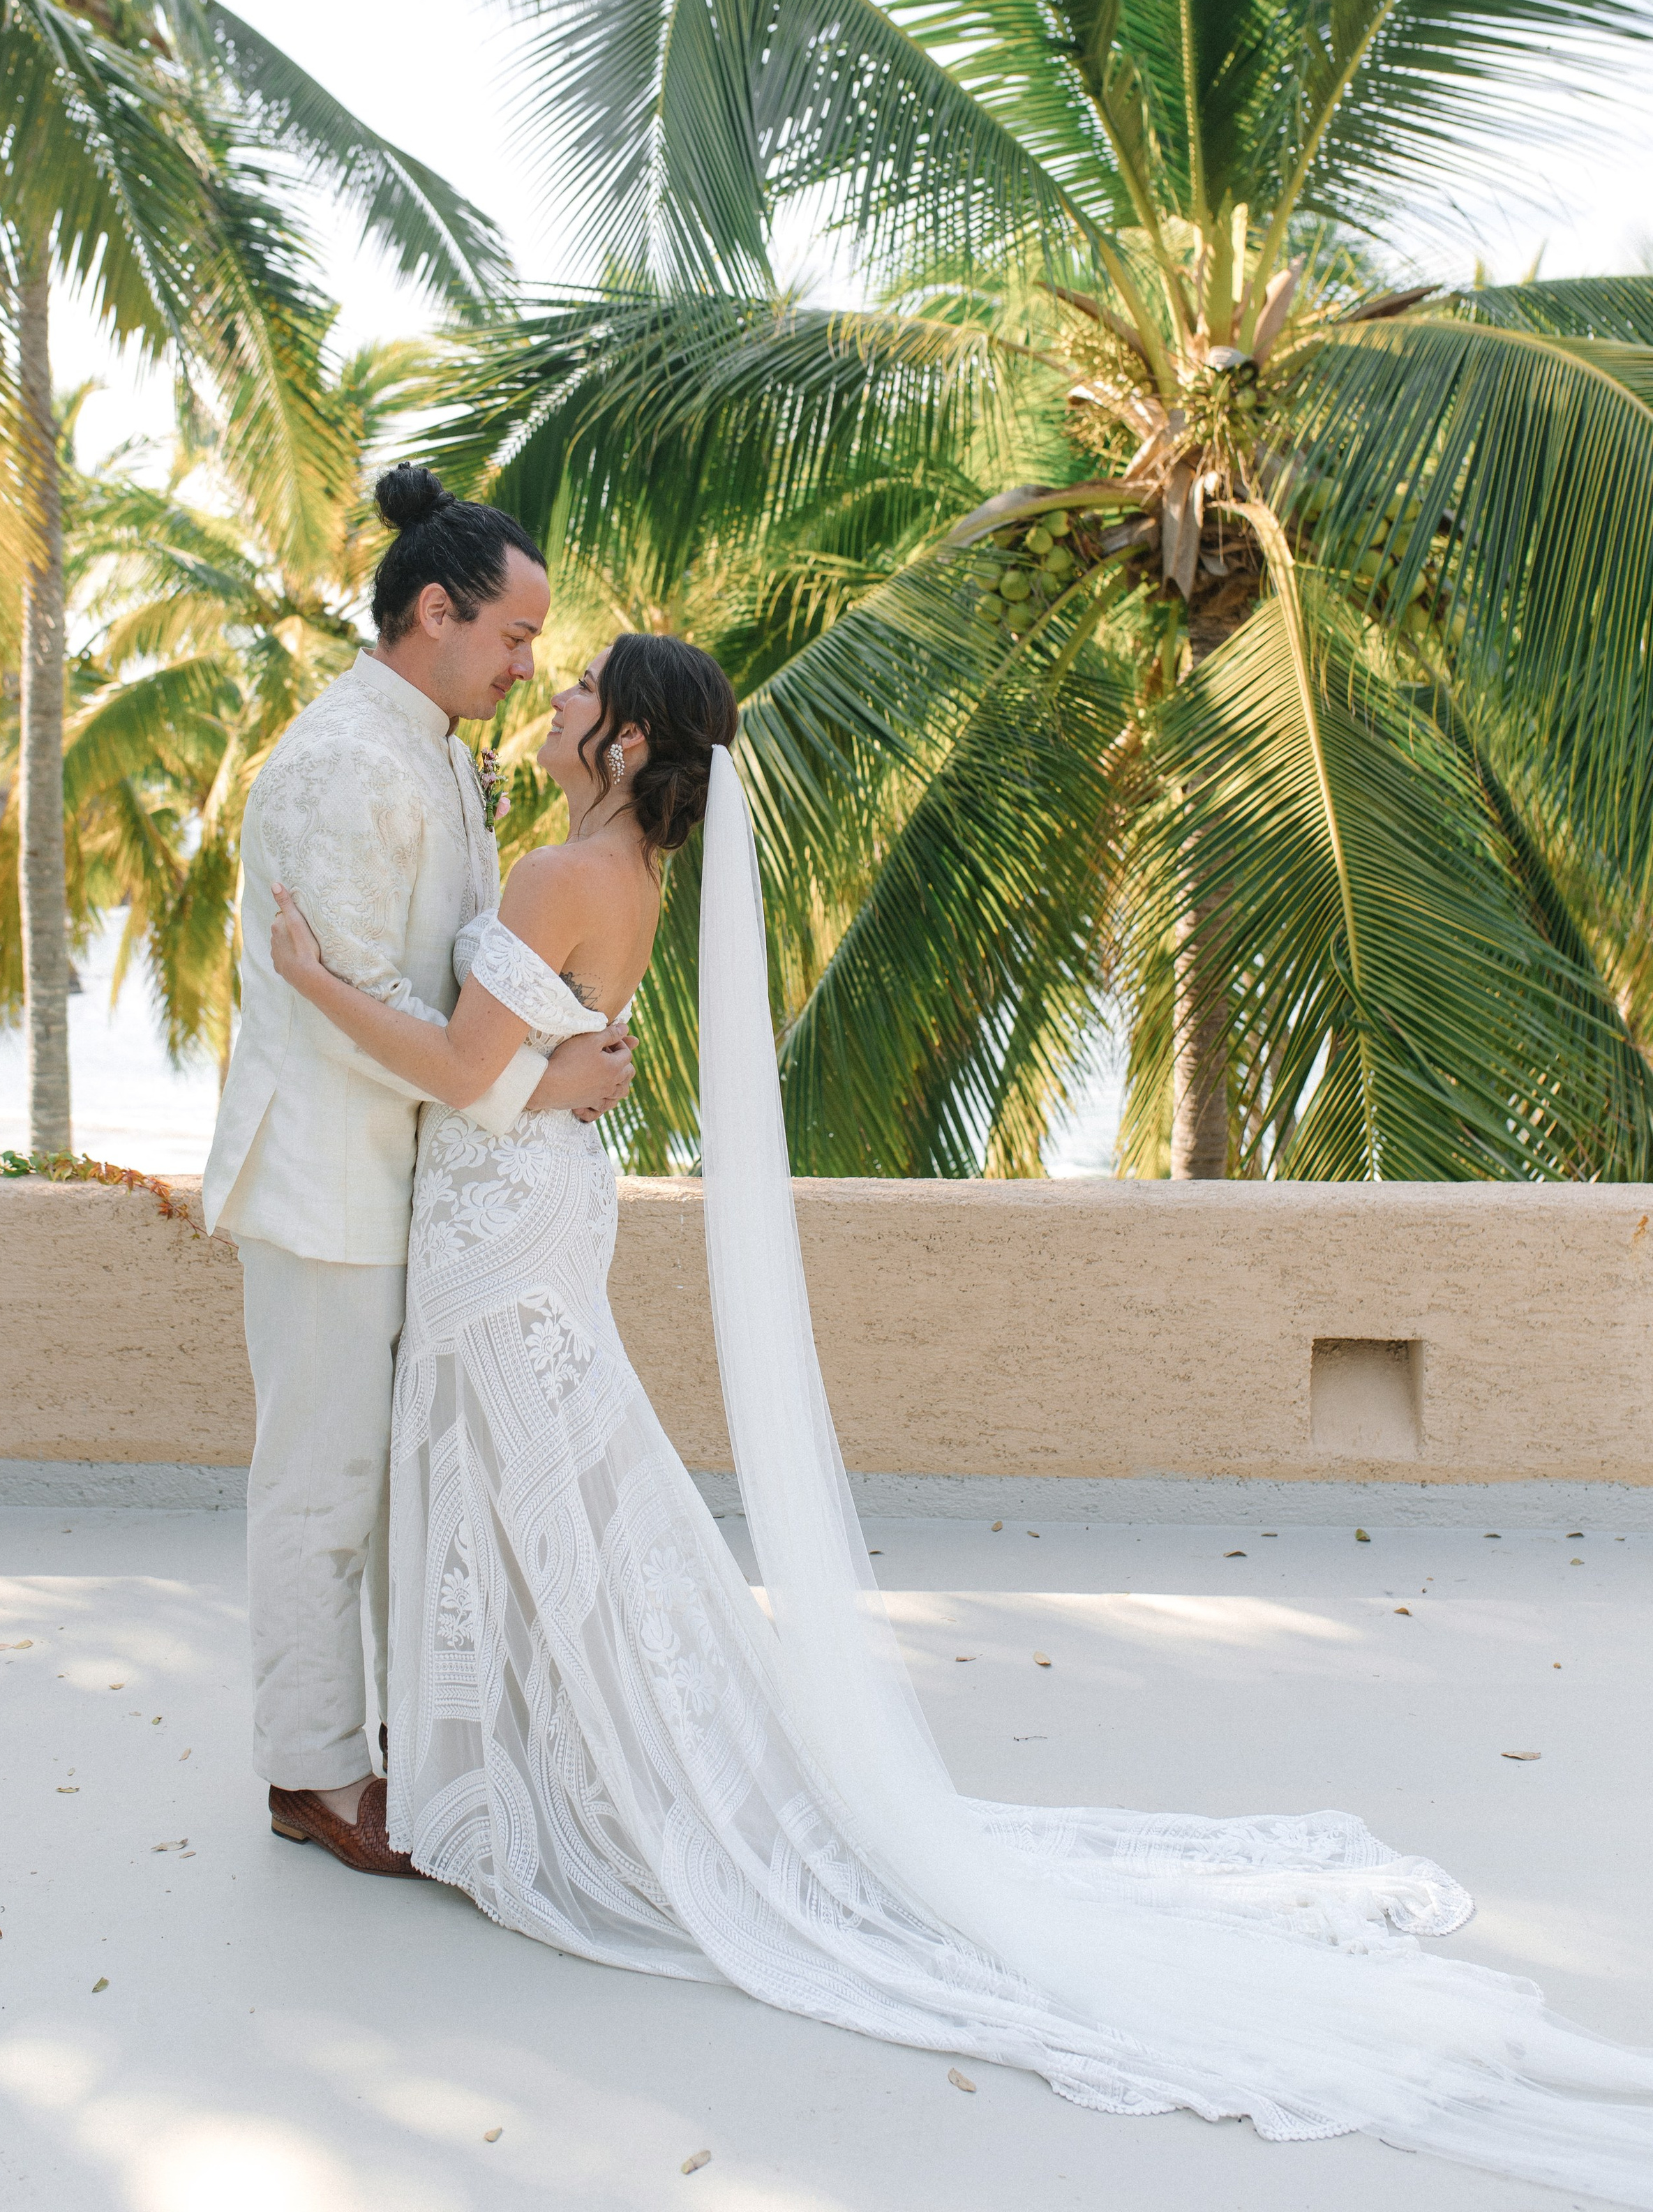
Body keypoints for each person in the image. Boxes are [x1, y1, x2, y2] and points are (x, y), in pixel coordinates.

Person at [267, 635, 1653, 2206]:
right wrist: (542, 1078)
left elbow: (462, 1068)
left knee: (539, 1491)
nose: (557, 698)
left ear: (627, 735)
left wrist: (315, 983)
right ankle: (539, 1770)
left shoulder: (552, 873)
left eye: (579, 687)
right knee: (559, 1498)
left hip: (495, 1232)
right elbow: (529, 1065)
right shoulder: (628, 875)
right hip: (535, 1215)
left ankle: (553, 1790)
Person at [203, 466, 636, 1876]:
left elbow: (456, 993)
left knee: (392, 1495)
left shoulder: (433, 748)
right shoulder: (342, 766)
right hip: (329, 1187)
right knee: (321, 1491)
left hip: (412, 1189)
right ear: (434, 612)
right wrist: (543, 1085)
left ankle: (391, 1746)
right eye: (513, 638)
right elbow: (372, 1005)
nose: (530, 668)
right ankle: (311, 1776)